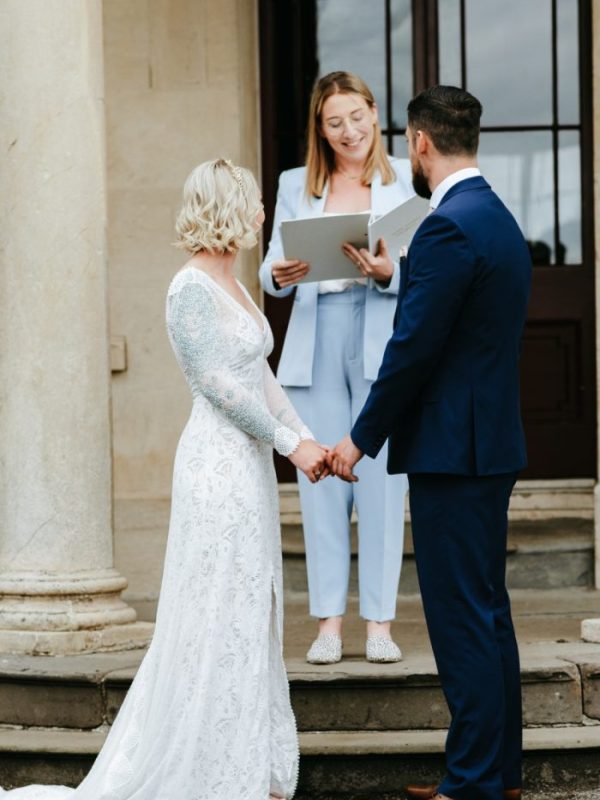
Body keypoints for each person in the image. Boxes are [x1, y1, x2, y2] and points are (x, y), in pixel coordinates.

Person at [1, 159, 329, 800]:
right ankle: (202, 767)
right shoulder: (189, 290)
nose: (265, 211)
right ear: (229, 208)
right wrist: (292, 444)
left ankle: (243, 754)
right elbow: (219, 387)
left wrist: (306, 438)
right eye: (256, 201)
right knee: (214, 609)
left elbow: (260, 377)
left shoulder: (237, 286)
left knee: (247, 606)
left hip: (251, 467)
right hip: (215, 466)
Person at [329, 85, 531, 800]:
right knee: (488, 613)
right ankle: (497, 772)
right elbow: (462, 309)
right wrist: (399, 272)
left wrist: (357, 440)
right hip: (489, 445)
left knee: (460, 618)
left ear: (418, 143)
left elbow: (413, 349)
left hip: (453, 450)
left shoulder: (446, 226)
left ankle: (471, 782)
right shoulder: (494, 217)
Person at [259, 71, 413, 665]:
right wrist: (279, 274)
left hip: (379, 340)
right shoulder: (297, 183)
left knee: (380, 483)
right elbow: (268, 269)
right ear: (319, 130)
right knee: (319, 477)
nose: (347, 130)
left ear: (374, 114)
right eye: (333, 122)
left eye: (356, 117)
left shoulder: (405, 182)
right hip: (315, 340)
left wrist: (389, 274)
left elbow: (423, 271)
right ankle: (329, 625)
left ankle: (379, 624)